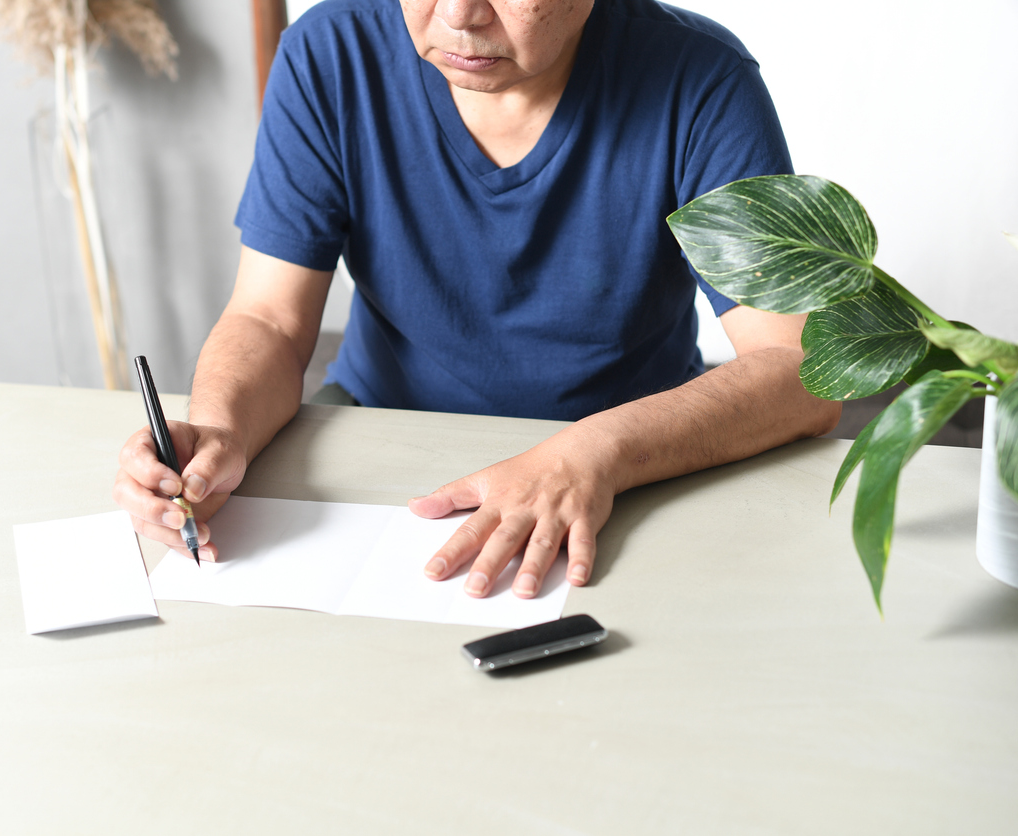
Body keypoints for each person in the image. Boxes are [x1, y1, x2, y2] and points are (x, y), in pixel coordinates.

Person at [113, 0, 840, 600]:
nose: (459, 16)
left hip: (631, 456)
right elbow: (268, 317)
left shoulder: (699, 79)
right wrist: (217, 434)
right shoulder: (329, 55)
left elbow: (803, 371)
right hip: (385, 430)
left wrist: (596, 452)